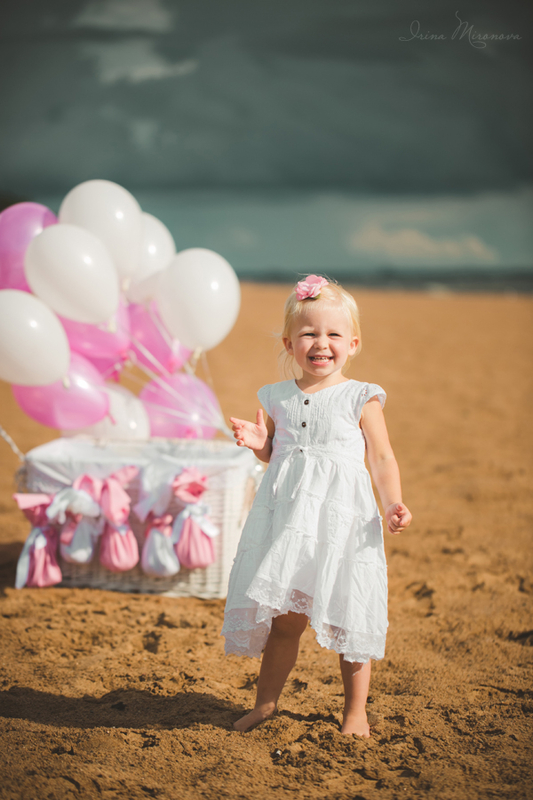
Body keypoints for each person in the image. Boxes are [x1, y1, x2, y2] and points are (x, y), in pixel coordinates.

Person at [222, 275, 412, 737]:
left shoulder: (360, 396)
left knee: (351, 615)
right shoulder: (276, 396)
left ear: (353, 344)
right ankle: (265, 704)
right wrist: (260, 443)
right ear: (289, 343)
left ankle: (355, 712)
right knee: (285, 622)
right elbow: (277, 454)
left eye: (333, 334)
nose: (321, 343)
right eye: (309, 333)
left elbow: (381, 457)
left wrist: (393, 502)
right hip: (291, 524)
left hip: (343, 522)